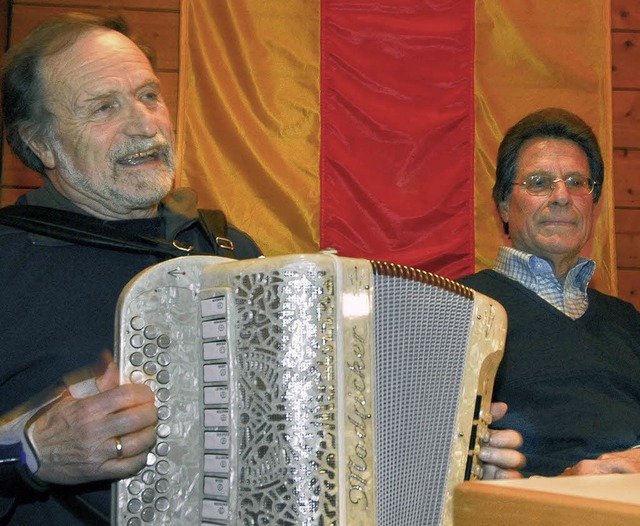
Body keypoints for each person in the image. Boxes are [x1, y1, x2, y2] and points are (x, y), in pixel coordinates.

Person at [0, 12, 523, 525]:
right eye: (103, 107)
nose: (144, 125)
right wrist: (28, 453)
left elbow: (314, 438)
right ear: (41, 142)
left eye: (149, 95)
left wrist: (456, 455)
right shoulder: (8, 259)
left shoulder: (228, 253)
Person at [459, 107, 640, 478]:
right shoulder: (459, 307)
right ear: (504, 206)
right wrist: (562, 486)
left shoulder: (628, 321)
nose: (562, 196)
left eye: (577, 182)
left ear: (594, 203)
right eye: (539, 182)